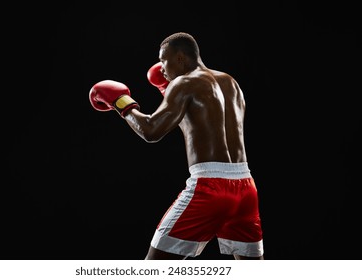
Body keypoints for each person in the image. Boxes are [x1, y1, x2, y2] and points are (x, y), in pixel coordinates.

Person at [89, 32, 264, 260]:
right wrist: (166, 91)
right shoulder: (230, 82)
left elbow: (151, 130)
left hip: (210, 187)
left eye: (164, 60)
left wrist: (120, 102)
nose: (161, 68)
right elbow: (202, 125)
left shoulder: (184, 83)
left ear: (180, 58)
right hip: (246, 189)